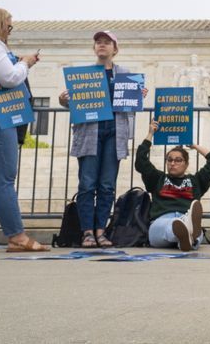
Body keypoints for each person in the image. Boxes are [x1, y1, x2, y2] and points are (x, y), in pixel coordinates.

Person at [59, 30, 146, 248]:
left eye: (107, 42)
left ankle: (101, 230)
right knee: (87, 183)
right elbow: (74, 103)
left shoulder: (124, 73)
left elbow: (130, 105)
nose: (102, 45)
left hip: (114, 133)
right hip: (90, 132)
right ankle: (87, 232)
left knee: (107, 185)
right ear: (94, 48)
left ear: (115, 49)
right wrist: (63, 100)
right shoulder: (84, 74)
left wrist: (138, 95)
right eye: (98, 42)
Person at [0, 6, 49, 253]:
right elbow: (8, 78)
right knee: (4, 176)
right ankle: (16, 236)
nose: (10, 30)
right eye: (8, 24)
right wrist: (25, 63)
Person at [135, 120, 210, 251]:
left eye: (178, 160)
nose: (173, 163)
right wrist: (150, 134)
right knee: (169, 227)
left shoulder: (196, 181)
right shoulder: (158, 178)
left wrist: (194, 145)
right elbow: (141, 160)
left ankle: (187, 235)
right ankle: (186, 234)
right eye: (169, 160)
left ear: (186, 164)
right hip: (161, 221)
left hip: (186, 215)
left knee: (192, 230)